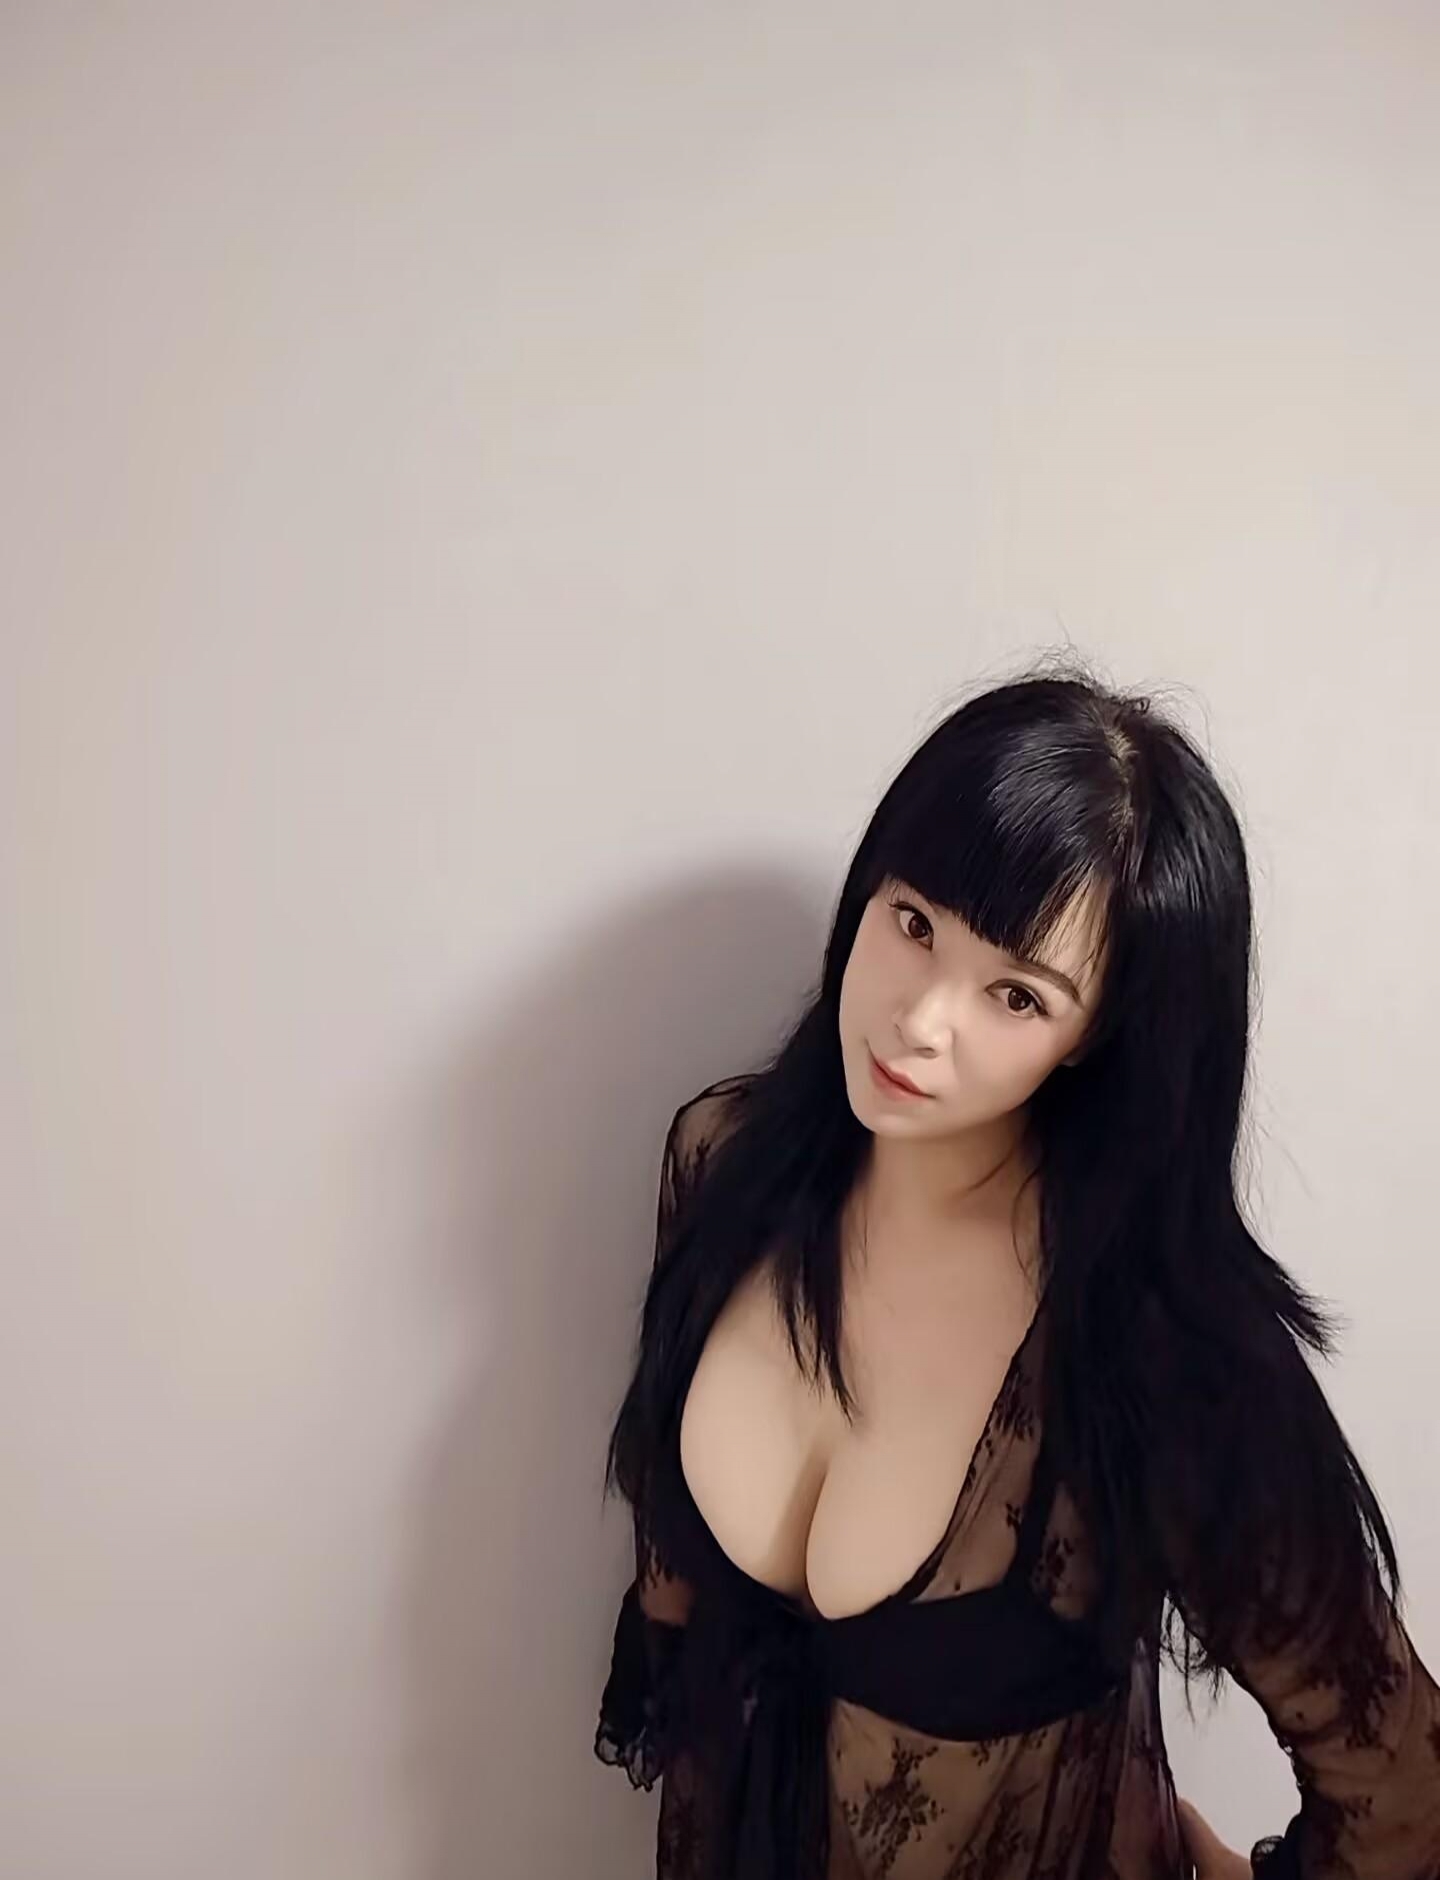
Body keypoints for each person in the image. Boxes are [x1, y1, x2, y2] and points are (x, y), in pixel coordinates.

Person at [594, 659, 1440, 1879]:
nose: (920, 1019)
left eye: (1015, 993)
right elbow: (674, 1592)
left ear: (1098, 1033)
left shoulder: (1153, 1344)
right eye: (914, 922)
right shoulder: (724, 1160)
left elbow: (1402, 1787)